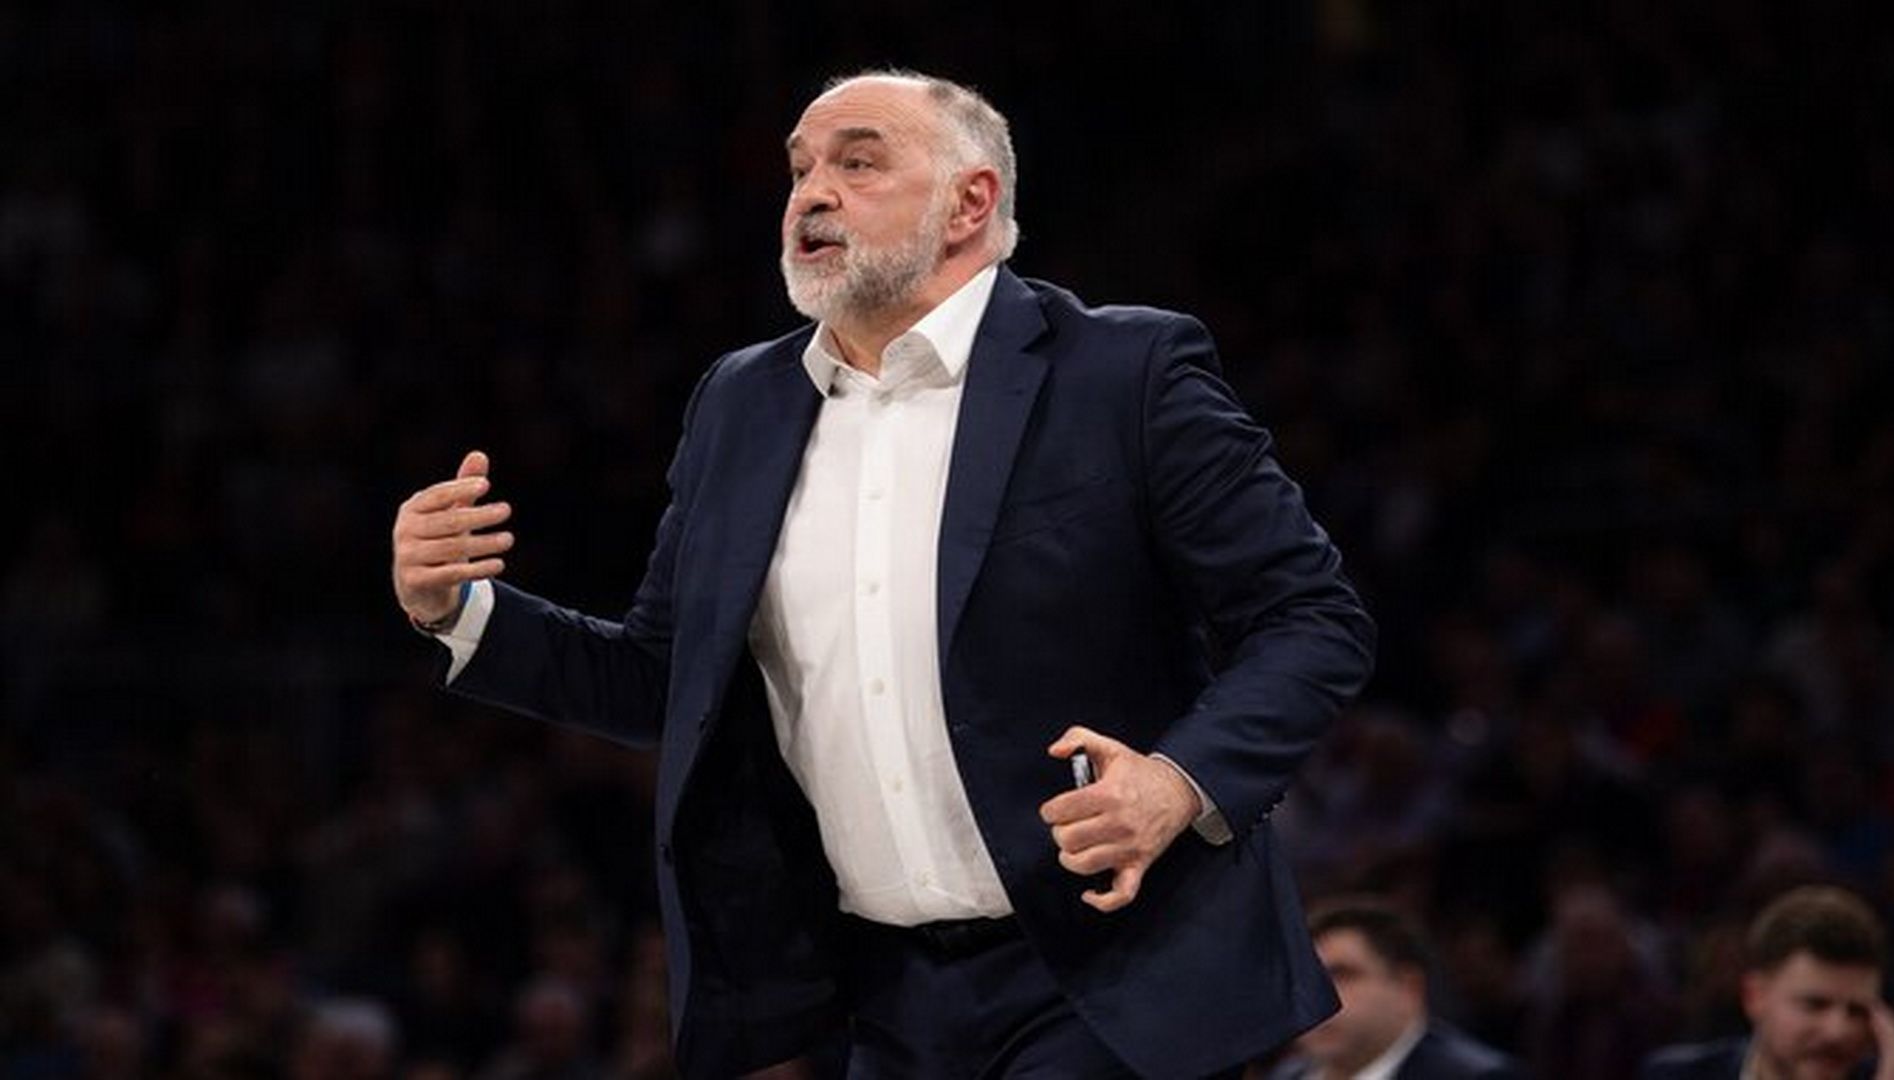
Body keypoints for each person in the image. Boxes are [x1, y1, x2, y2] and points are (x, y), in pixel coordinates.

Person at [390, 69, 1374, 1079]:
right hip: (890, 1000)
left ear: (970, 202)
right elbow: (664, 682)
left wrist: (1176, 782)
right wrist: (459, 612)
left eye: (858, 163)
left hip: (1113, 971)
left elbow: (1310, 618)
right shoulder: (741, 404)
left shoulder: (1123, 371)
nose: (811, 193)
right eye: (799, 170)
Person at [1640, 885, 1894, 1080]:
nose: (1837, 1031)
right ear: (1754, 997)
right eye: (1815, 1005)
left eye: (1857, 1011)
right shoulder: (1676, 1076)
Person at [1265, 898, 1525, 1079]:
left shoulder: (1477, 1077)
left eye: (1343, 974)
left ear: (1409, 988)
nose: (1318, 995)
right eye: (1306, 977)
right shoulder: (1285, 1076)